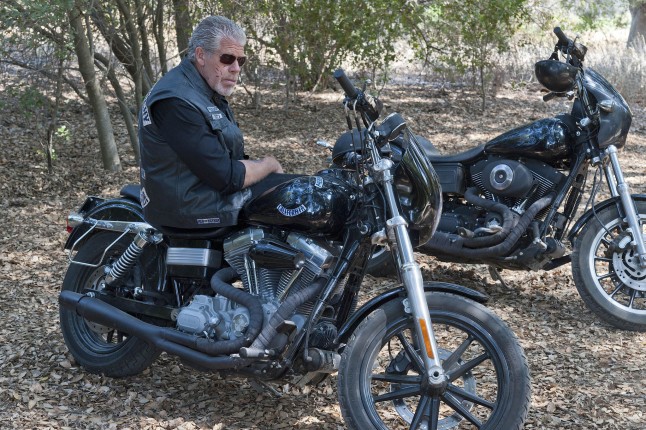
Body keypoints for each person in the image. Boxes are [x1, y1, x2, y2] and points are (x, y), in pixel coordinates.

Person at [138, 16, 288, 230]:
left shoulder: (203, 88)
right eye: (227, 58)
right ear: (201, 55)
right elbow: (225, 177)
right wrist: (268, 164)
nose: (236, 68)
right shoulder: (176, 101)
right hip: (189, 210)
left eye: (241, 61)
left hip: (205, 194)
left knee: (304, 195)